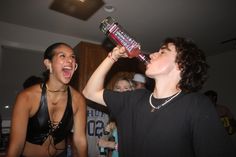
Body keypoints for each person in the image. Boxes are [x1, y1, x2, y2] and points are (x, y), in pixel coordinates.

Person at [83, 37, 236, 157]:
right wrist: (113, 56)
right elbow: (89, 92)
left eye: (162, 52)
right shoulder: (133, 99)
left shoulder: (196, 105)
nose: (153, 54)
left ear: (180, 65)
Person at [7, 42, 87, 157]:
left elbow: (80, 141)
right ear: (48, 64)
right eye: (62, 56)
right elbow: (16, 145)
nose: (70, 60)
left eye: (72, 57)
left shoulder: (78, 100)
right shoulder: (27, 97)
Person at [98, 76, 134, 157]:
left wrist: (111, 145)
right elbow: (102, 141)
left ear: (132, 92)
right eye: (118, 88)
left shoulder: (135, 115)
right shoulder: (114, 116)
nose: (121, 91)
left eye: (126, 88)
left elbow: (136, 146)